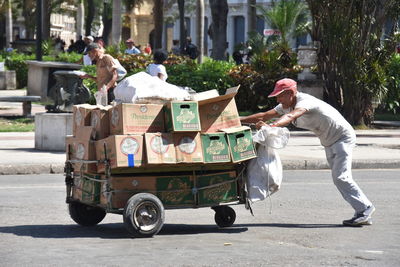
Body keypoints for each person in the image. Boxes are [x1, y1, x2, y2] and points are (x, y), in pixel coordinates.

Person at [241, 78, 375, 227]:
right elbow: (264, 116)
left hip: (342, 138)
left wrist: (271, 126)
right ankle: (363, 212)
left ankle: (365, 209)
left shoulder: (304, 102)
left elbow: (291, 116)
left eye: (280, 95)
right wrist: (238, 120)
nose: (278, 99)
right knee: (339, 178)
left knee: (341, 177)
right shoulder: (285, 105)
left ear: (291, 93)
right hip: (328, 141)